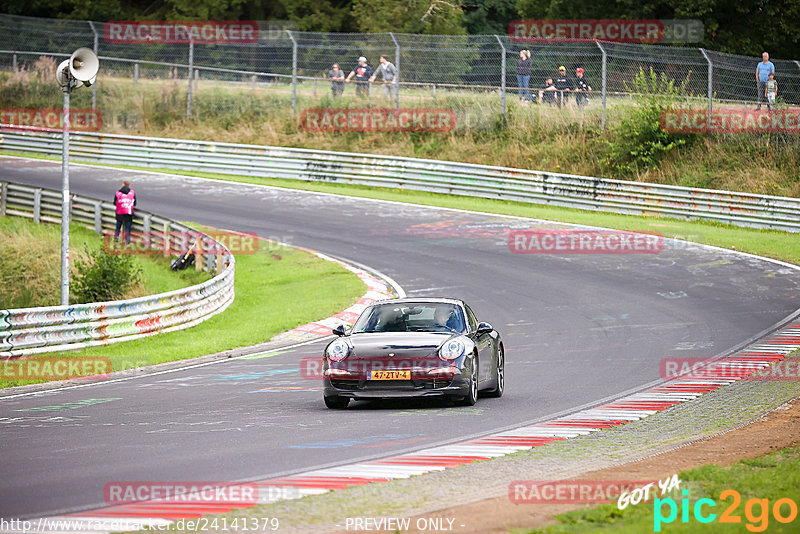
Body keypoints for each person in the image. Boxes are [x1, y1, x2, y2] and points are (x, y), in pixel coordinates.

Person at [113, 180, 136, 244]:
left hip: (119, 213)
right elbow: (135, 203)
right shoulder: (132, 193)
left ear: (123, 185)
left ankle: (115, 239)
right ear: (129, 185)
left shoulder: (118, 193)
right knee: (128, 228)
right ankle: (127, 241)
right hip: (128, 213)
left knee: (118, 227)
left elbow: (115, 202)